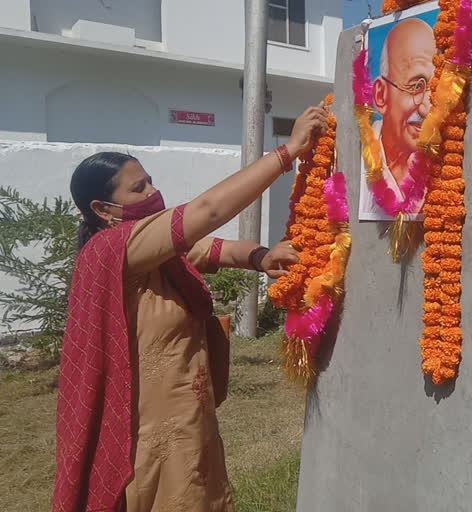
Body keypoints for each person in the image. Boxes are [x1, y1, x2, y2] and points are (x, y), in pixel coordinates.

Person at [52, 104, 328, 512]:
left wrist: (261, 257)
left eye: (149, 182)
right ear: (102, 210)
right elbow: (207, 214)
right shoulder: (117, 251)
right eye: (138, 189)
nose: (152, 194)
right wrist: (287, 153)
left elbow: (215, 249)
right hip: (150, 432)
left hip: (191, 415)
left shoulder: (155, 249)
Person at [361, 17, 436, 219]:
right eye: (416, 86)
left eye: (435, 89)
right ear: (381, 96)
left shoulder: (442, 166)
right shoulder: (358, 165)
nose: (428, 108)